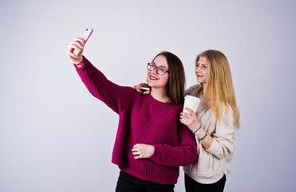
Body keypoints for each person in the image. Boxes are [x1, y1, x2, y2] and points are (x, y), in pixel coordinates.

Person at [67, 35, 198, 192]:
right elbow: (102, 87)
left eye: (161, 69)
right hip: (128, 180)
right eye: (152, 65)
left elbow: (189, 153)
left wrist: (154, 151)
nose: (153, 71)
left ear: (173, 76)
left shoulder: (180, 110)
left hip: (161, 186)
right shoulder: (133, 97)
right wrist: (80, 62)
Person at [134, 49, 240, 192]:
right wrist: (150, 88)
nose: (197, 69)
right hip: (190, 172)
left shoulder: (225, 108)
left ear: (217, 71)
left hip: (210, 179)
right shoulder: (194, 91)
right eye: (197, 65)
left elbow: (223, 150)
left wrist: (196, 127)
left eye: (204, 66)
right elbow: (172, 101)